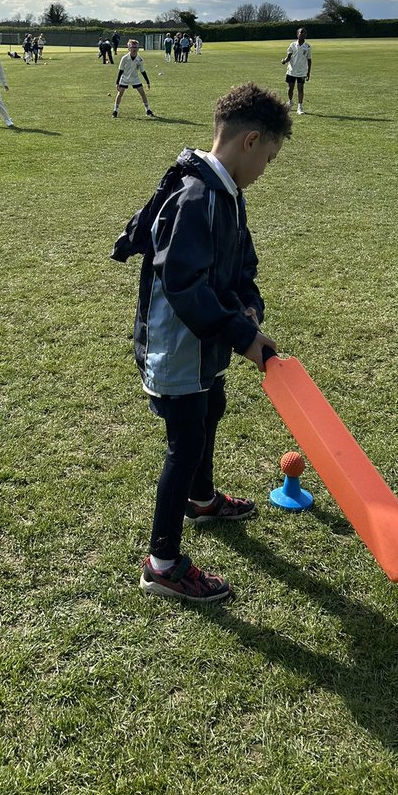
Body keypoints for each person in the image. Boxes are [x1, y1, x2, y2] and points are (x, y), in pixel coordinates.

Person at [112, 83, 292, 602]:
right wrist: (245, 338)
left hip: (204, 349)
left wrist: (249, 306)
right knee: (185, 443)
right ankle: (163, 563)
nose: (267, 170)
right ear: (250, 142)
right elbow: (186, 286)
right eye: (271, 158)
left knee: (212, 407)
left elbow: (240, 266)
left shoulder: (227, 194)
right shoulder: (197, 197)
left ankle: (202, 499)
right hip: (179, 349)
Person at [113, 39, 154, 118]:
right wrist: (117, 82)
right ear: (129, 48)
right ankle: (115, 111)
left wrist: (148, 82)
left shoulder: (140, 59)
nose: (134, 49)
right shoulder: (124, 58)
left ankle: (148, 110)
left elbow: (143, 71)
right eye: (132, 47)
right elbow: (120, 70)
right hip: (124, 78)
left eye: (136, 47)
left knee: (142, 93)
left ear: (138, 49)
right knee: (120, 94)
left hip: (135, 78)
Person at [281, 27, 311, 114]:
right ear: (297, 34)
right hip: (291, 71)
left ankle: (300, 107)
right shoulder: (292, 45)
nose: (303, 34)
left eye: (305, 33)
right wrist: (284, 61)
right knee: (290, 88)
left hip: (302, 72)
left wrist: (308, 72)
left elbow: (309, 60)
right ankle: (290, 102)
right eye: (301, 33)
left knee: (300, 89)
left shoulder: (308, 47)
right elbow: (288, 57)